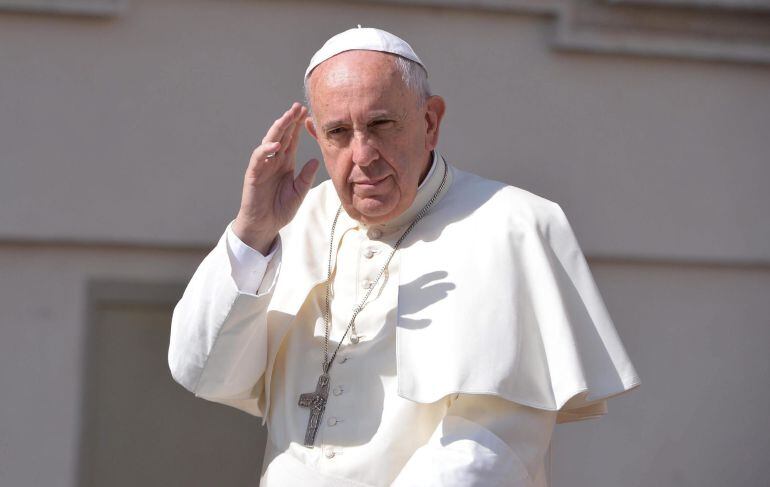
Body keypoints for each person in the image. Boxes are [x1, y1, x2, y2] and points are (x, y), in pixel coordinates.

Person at [168, 27, 640, 486]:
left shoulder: (512, 224)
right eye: (338, 132)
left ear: (430, 122)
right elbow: (206, 373)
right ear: (315, 134)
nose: (363, 154)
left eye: (380, 125)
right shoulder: (290, 223)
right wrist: (252, 233)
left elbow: (492, 442)